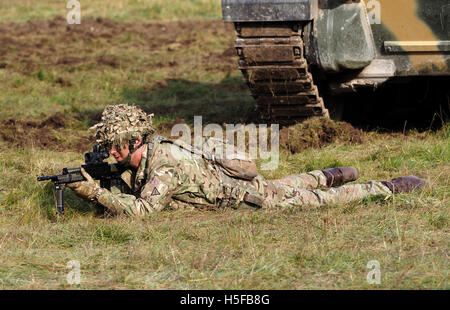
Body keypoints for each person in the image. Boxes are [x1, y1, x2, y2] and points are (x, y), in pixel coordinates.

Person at [67, 104, 426, 216]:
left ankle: (387, 187)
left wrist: (95, 193)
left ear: (135, 140)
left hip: (249, 200)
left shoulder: (164, 165)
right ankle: (331, 173)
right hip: (241, 185)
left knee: (316, 202)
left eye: (116, 146)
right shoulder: (152, 149)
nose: (111, 153)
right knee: (285, 183)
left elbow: (144, 212)